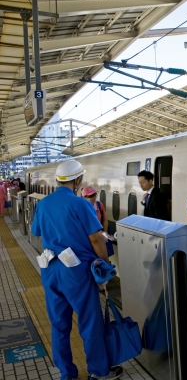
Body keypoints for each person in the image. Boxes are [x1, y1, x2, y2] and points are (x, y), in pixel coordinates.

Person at [30, 160, 123, 380]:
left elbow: (37, 232)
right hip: (76, 271)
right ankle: (99, 372)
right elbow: (96, 239)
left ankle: (67, 374)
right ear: (78, 180)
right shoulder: (81, 204)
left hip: (50, 269)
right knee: (90, 323)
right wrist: (105, 265)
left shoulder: (44, 204)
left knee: (59, 325)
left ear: (57, 180)